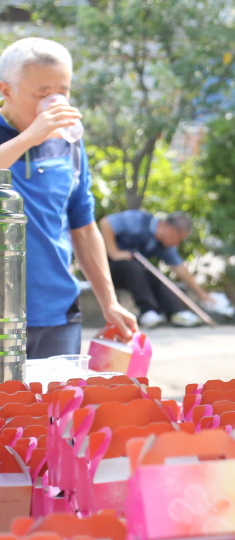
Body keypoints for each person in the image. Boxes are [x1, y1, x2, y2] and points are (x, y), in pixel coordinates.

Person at [0, 38, 136, 357]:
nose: (55, 103)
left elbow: (83, 226)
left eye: (64, 91)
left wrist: (109, 301)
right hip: (4, 316)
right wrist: (29, 137)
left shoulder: (70, 145)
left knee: (60, 394)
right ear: (6, 90)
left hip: (58, 316)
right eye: (43, 94)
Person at [99, 210, 210, 328]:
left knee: (155, 275)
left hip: (130, 274)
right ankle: (147, 312)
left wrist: (201, 294)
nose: (177, 243)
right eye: (179, 238)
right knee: (132, 267)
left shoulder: (164, 245)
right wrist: (114, 252)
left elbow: (180, 268)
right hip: (104, 268)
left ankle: (176, 312)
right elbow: (106, 223)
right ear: (171, 230)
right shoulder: (138, 220)